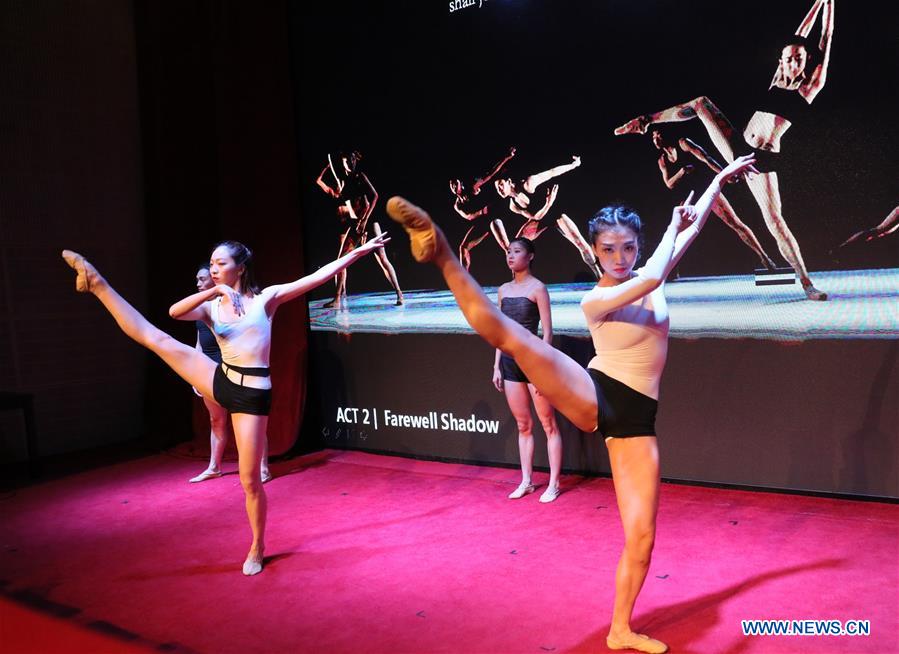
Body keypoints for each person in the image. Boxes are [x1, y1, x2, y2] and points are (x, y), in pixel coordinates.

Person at [385, 153, 757, 654]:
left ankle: (619, 629)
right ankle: (440, 248)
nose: (620, 258)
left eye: (629, 248)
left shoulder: (652, 269)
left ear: (638, 246)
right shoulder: (594, 299)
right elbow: (648, 278)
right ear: (595, 251)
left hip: (638, 422)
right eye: (609, 249)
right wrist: (673, 225)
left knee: (643, 539)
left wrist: (717, 179)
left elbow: (686, 238)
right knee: (513, 337)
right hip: (596, 393)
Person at [61, 233, 388, 575]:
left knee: (249, 480)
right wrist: (214, 291)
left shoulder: (266, 299)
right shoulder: (210, 305)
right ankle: (97, 283)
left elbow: (316, 278)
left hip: (252, 394)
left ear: (241, 268)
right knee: (155, 338)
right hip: (222, 378)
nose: (214, 269)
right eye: (212, 264)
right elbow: (173, 312)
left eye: (221, 264)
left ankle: (257, 545)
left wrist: (359, 252)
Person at [614, 0, 835, 301]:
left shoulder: (810, 86)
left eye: (796, 59)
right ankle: (645, 121)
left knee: (775, 223)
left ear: (807, 60)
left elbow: (824, 38)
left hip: (763, 160)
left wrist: (829, 5)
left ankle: (807, 283)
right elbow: (798, 36)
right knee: (701, 103)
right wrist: (816, 4)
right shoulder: (778, 78)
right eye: (785, 59)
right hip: (738, 144)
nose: (788, 64)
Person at [493, 238, 562, 502]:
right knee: (524, 425)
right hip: (510, 363)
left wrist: (542, 366)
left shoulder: (538, 288)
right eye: (508, 252)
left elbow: (548, 332)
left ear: (530, 256)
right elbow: (500, 333)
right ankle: (527, 481)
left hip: (535, 363)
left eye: (517, 251)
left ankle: (553, 483)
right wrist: (497, 365)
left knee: (548, 424)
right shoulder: (503, 290)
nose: (511, 256)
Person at [649, 128, 777, 271]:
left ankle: (765, 257)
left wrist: (726, 175)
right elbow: (669, 184)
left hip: (705, 189)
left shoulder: (683, 143)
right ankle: (670, 269)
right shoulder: (662, 160)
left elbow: (707, 158)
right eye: (653, 137)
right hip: (688, 196)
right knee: (675, 233)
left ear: (665, 133)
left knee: (735, 222)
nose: (655, 139)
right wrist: (682, 171)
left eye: (657, 134)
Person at [189, 263, 271, 484]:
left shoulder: (229, 305)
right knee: (216, 420)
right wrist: (195, 376)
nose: (198, 284)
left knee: (250, 420)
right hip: (207, 372)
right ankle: (214, 467)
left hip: (231, 370)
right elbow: (198, 344)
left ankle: (262, 468)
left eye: (202, 279)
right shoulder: (202, 309)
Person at [316, 151, 404, 306]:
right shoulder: (343, 182)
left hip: (369, 223)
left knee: (383, 259)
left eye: (352, 160)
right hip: (355, 225)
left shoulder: (360, 177)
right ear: (342, 164)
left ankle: (399, 294)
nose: (350, 162)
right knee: (340, 261)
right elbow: (349, 205)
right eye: (347, 161)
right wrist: (357, 224)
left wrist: (364, 221)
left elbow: (373, 198)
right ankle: (337, 298)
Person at [450, 147, 517, 270]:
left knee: (506, 246)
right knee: (463, 247)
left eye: (456, 183)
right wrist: (481, 211)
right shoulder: (457, 204)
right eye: (451, 184)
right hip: (481, 223)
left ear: (461, 184)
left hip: (492, 218)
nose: (453, 186)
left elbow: (490, 174)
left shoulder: (473, 188)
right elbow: (468, 216)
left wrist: (506, 157)